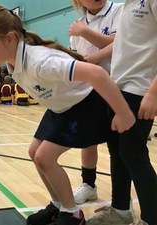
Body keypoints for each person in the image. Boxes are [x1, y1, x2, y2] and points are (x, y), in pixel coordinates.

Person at [0, 4, 135, 225]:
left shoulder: (41, 62)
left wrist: (123, 113)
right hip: (62, 107)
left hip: (87, 105)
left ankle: (73, 215)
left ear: (9, 39)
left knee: (44, 157)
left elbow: (97, 73)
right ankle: (59, 206)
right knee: (34, 152)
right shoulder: (14, 62)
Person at [87, 1, 157, 225]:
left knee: (133, 153)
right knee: (117, 151)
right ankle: (120, 210)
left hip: (140, 88)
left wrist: (153, 92)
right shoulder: (128, 4)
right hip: (118, 88)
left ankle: (152, 217)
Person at [68, 0, 124, 205]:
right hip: (89, 92)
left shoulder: (119, 10)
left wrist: (85, 36)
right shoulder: (78, 24)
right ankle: (88, 185)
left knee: (117, 148)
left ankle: (120, 199)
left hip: (119, 88)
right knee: (87, 140)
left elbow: (120, 44)